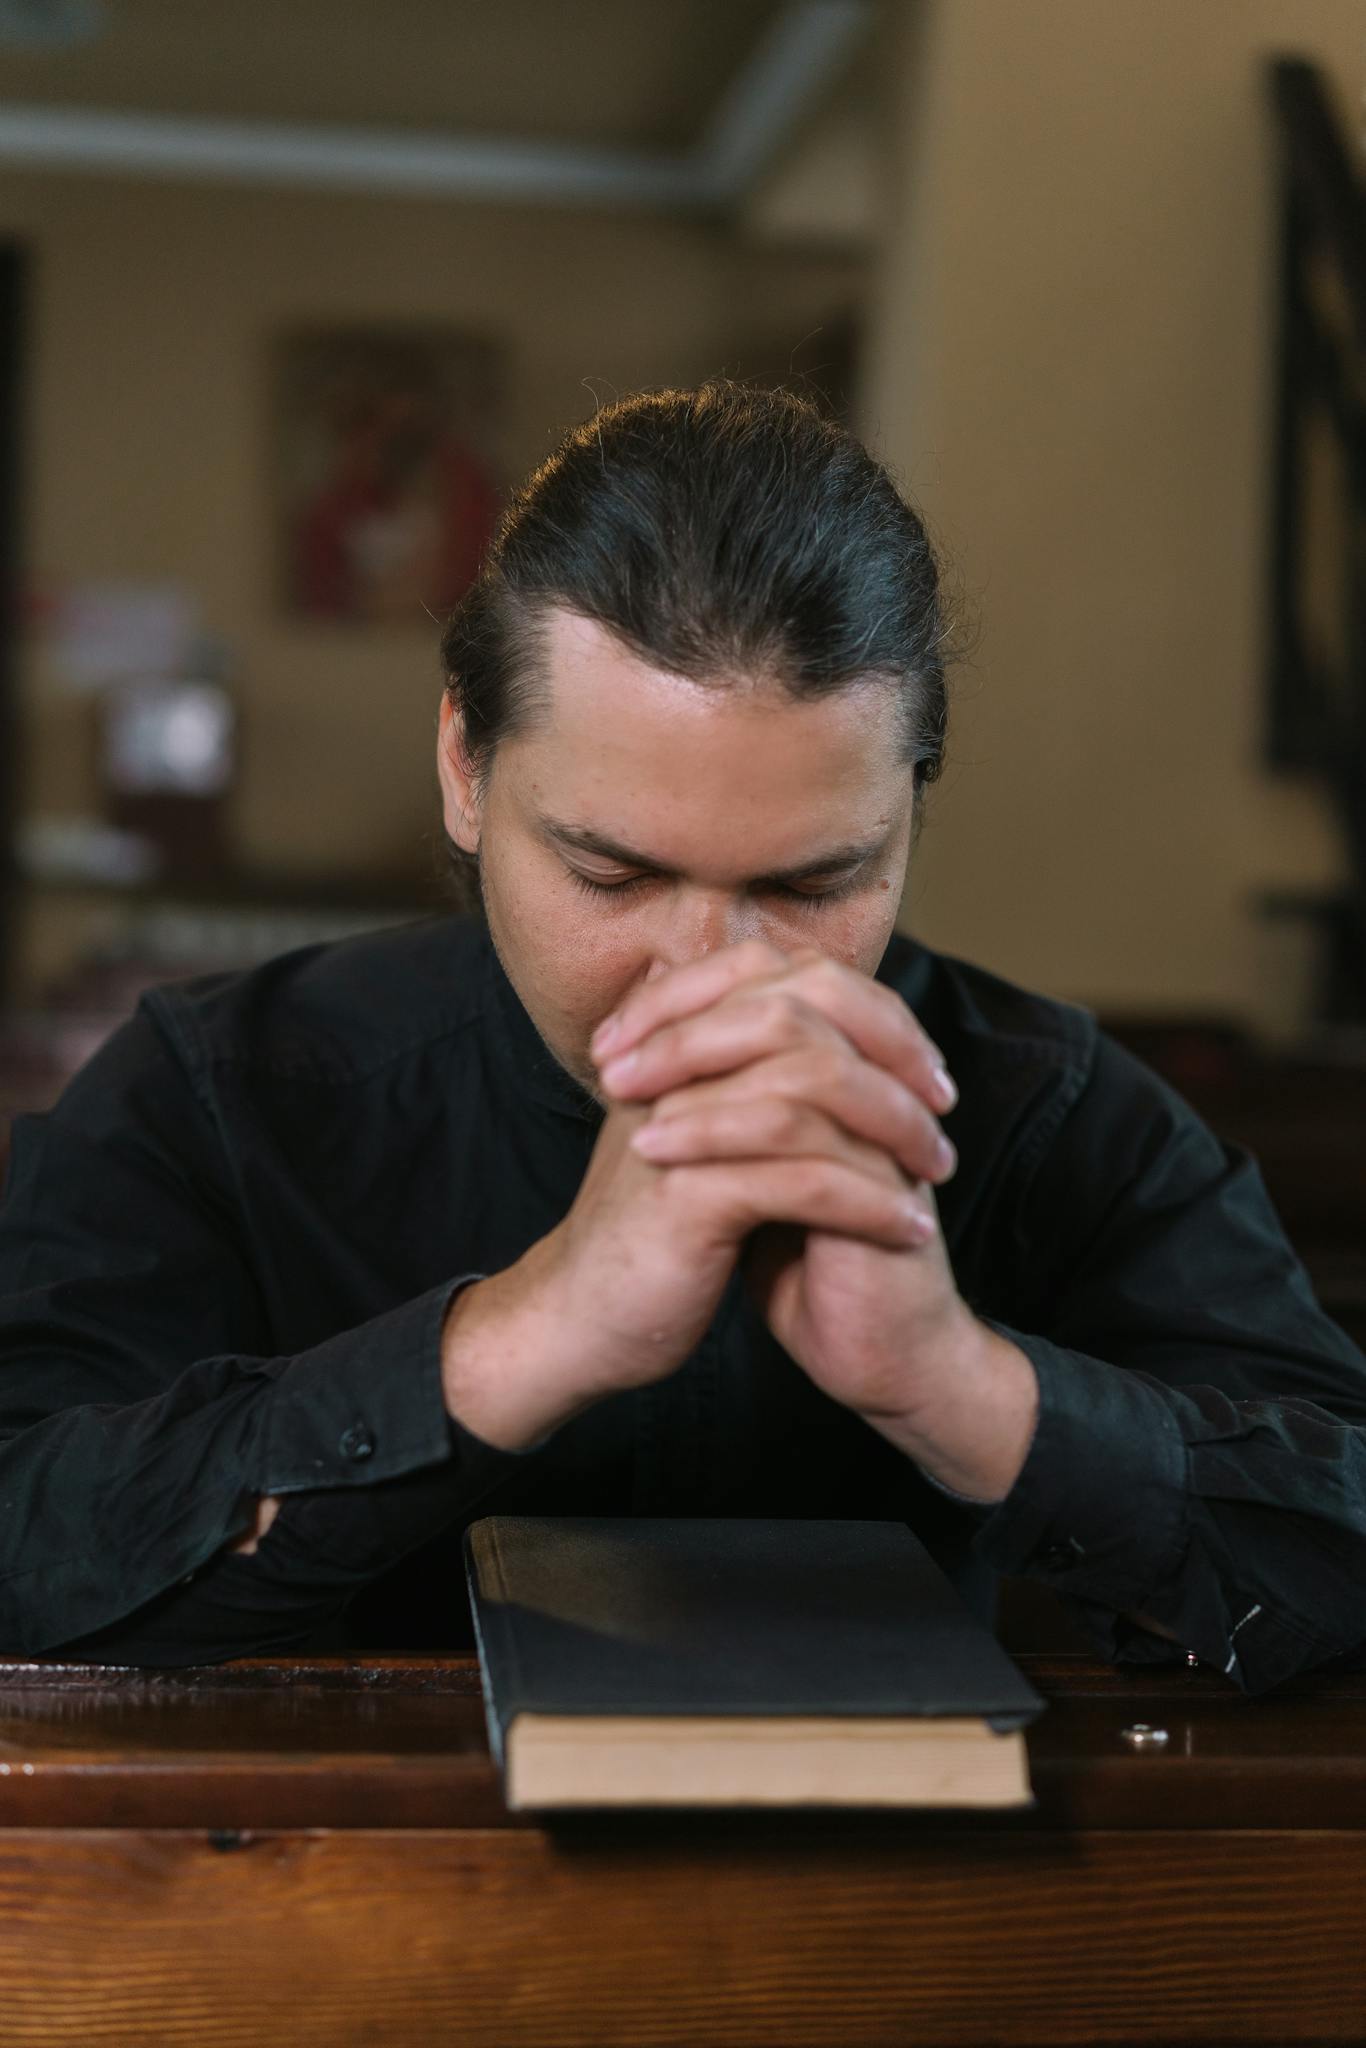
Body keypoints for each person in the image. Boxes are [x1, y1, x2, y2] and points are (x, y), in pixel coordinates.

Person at [2, 382, 1364, 1692]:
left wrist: (963, 1390)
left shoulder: (1057, 1118)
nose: (709, 974)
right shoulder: (220, 1096)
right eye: (613, 875)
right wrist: (520, 1339)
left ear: (908, 815)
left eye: (812, 883)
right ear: (464, 771)